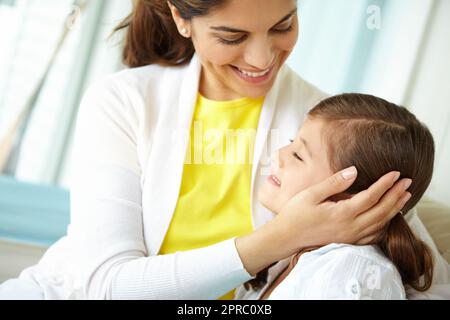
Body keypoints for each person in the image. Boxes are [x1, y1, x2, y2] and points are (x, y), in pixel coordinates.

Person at [1, 0, 421, 300]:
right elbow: (109, 287)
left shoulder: (330, 130)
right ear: (182, 18)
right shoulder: (124, 102)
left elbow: (423, 275)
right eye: (233, 36)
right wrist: (285, 236)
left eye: (283, 24)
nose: (261, 59)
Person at [236, 93, 435, 299]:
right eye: (291, 142)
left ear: (356, 201)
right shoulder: (290, 254)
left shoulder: (352, 273)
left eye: (298, 155)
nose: (279, 153)